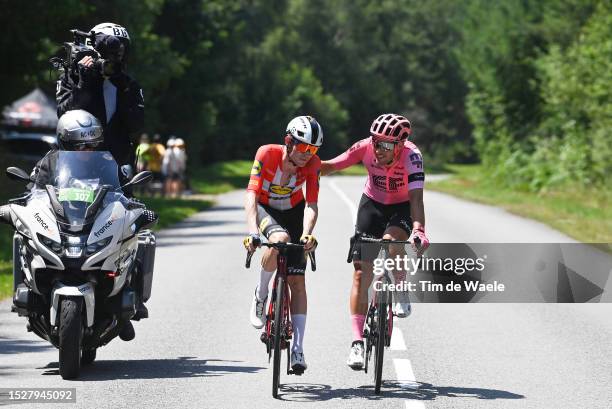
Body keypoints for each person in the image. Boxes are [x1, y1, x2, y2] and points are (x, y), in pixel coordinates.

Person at [320, 113, 430, 370]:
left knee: (392, 242)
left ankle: (400, 285)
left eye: (386, 144)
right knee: (360, 273)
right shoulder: (365, 148)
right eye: (376, 142)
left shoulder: (412, 157)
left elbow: (416, 200)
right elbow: (331, 165)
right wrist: (305, 164)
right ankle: (357, 343)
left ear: (400, 145)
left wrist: (419, 230)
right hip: (372, 204)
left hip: (402, 207)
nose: (378, 149)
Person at [31, 109, 150, 341]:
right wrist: (23, 205)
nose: (87, 150)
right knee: (23, 239)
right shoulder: (50, 162)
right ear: (65, 142)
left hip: (96, 223)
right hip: (61, 223)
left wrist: (135, 205)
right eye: (80, 145)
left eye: (92, 144)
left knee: (134, 238)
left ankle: (128, 302)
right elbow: (34, 192)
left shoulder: (105, 161)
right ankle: (32, 298)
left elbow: (123, 190)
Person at [243, 115, 323, 374]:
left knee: (298, 281)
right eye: (302, 147)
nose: (307, 154)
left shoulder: (313, 164)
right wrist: (254, 232)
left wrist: (308, 234)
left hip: (294, 211)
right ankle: (261, 293)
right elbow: (252, 195)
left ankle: (298, 348)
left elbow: (311, 204)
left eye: (313, 149)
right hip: (267, 209)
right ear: (289, 142)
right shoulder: (266, 154)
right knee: (279, 241)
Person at [56, 22, 144, 169]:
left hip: (115, 167)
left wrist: (124, 89)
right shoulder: (72, 77)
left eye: (120, 52)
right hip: (76, 165)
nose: (116, 57)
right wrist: (84, 84)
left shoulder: (129, 85)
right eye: (111, 51)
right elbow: (63, 114)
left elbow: (136, 125)